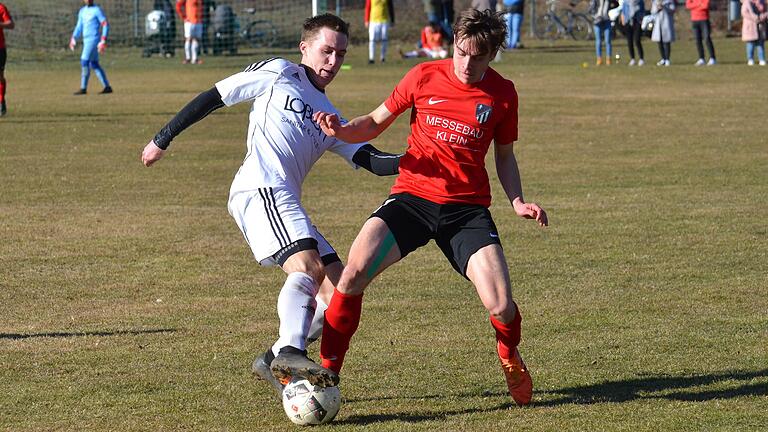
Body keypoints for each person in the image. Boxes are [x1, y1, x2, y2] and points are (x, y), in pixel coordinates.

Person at [140, 13, 401, 396]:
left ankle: (273, 357)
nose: (333, 61)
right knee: (308, 268)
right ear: (305, 48)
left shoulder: (330, 117)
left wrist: (424, 157)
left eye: (340, 54)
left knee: (338, 294)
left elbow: (373, 160)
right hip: (260, 188)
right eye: (326, 51)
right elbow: (216, 95)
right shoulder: (280, 74)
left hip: (284, 199)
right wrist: (163, 138)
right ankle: (292, 351)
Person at [302, 9, 548, 407]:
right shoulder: (423, 75)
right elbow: (376, 121)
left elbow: (504, 156)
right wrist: (342, 131)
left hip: (465, 211)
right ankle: (327, 373)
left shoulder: (503, 94)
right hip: (412, 199)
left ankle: (509, 355)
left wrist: (517, 201)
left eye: (478, 57)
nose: (467, 64)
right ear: (454, 44)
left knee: (502, 306)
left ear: (492, 55)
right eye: (462, 52)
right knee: (352, 274)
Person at [69, 0, 112, 95]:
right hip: (86, 39)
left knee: (84, 61)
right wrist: (73, 37)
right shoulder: (82, 11)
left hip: (93, 39)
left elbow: (105, 24)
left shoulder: (97, 10)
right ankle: (107, 87)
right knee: (94, 64)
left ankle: (83, 88)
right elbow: (79, 26)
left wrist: (103, 39)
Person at [686, 0, 716, 65]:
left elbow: (705, 5)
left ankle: (712, 58)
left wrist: (694, 5)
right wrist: (699, 4)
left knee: (707, 38)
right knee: (697, 40)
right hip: (694, 20)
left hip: (704, 19)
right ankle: (701, 58)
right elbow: (688, 5)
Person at [176, 0, 204, 64]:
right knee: (188, 39)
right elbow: (178, 6)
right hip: (189, 22)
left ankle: (195, 59)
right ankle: (187, 58)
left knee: (196, 39)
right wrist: (183, 17)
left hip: (199, 21)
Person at [741, 0, 768, 65]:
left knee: (760, 44)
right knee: (750, 44)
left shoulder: (762, 2)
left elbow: (766, 13)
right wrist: (755, 18)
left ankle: (761, 59)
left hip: (760, 27)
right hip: (750, 27)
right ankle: (750, 59)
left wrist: (761, 17)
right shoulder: (746, 3)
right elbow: (744, 13)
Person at [651, 0, 675, 66]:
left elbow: (672, 10)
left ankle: (667, 59)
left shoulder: (669, 1)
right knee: (659, 42)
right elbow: (652, 12)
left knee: (666, 42)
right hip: (658, 24)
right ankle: (663, 58)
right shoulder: (655, 2)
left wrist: (664, 7)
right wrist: (657, 9)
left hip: (666, 23)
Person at [621, 0, 646, 66]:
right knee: (629, 41)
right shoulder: (625, 2)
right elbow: (623, 11)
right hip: (628, 22)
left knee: (637, 40)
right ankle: (632, 59)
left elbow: (643, 10)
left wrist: (641, 19)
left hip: (637, 21)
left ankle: (641, 59)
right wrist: (623, 20)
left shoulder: (640, 1)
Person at [0, 2, 14, 117]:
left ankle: (1, 101)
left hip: (0, 48)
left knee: (0, 77)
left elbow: (10, 24)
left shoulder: (1, 8)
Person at [590, 0, 613, 64]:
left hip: (607, 21)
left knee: (608, 40)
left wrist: (610, 11)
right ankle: (599, 59)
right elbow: (590, 10)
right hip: (597, 22)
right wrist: (596, 17)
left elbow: (616, 4)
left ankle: (608, 59)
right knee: (598, 41)